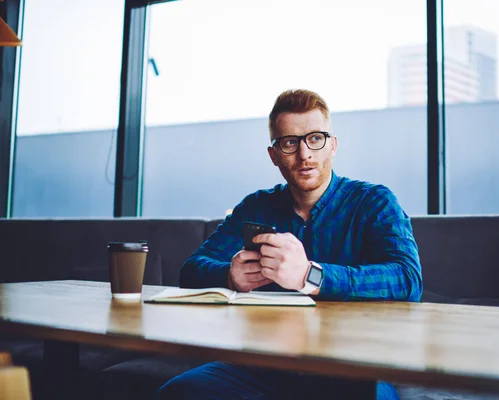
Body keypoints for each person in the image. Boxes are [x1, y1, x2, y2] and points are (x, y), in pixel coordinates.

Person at [157, 89, 423, 400]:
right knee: (177, 393)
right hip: (261, 366)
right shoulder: (254, 207)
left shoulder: (374, 202)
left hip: (352, 366)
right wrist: (229, 277)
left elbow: (407, 278)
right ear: (273, 155)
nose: (304, 154)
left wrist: (310, 275)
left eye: (315, 139)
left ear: (333, 145)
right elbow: (191, 271)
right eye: (289, 142)